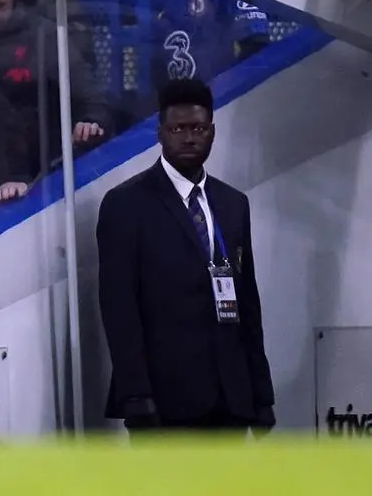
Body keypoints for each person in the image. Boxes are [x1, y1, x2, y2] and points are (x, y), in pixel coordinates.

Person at [96, 78, 275, 434]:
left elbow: (247, 304)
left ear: (212, 132)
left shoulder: (233, 203)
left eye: (198, 128)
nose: (189, 137)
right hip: (163, 402)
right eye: (178, 128)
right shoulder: (126, 204)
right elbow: (119, 309)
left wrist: (261, 396)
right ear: (160, 133)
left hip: (230, 400)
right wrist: (135, 394)